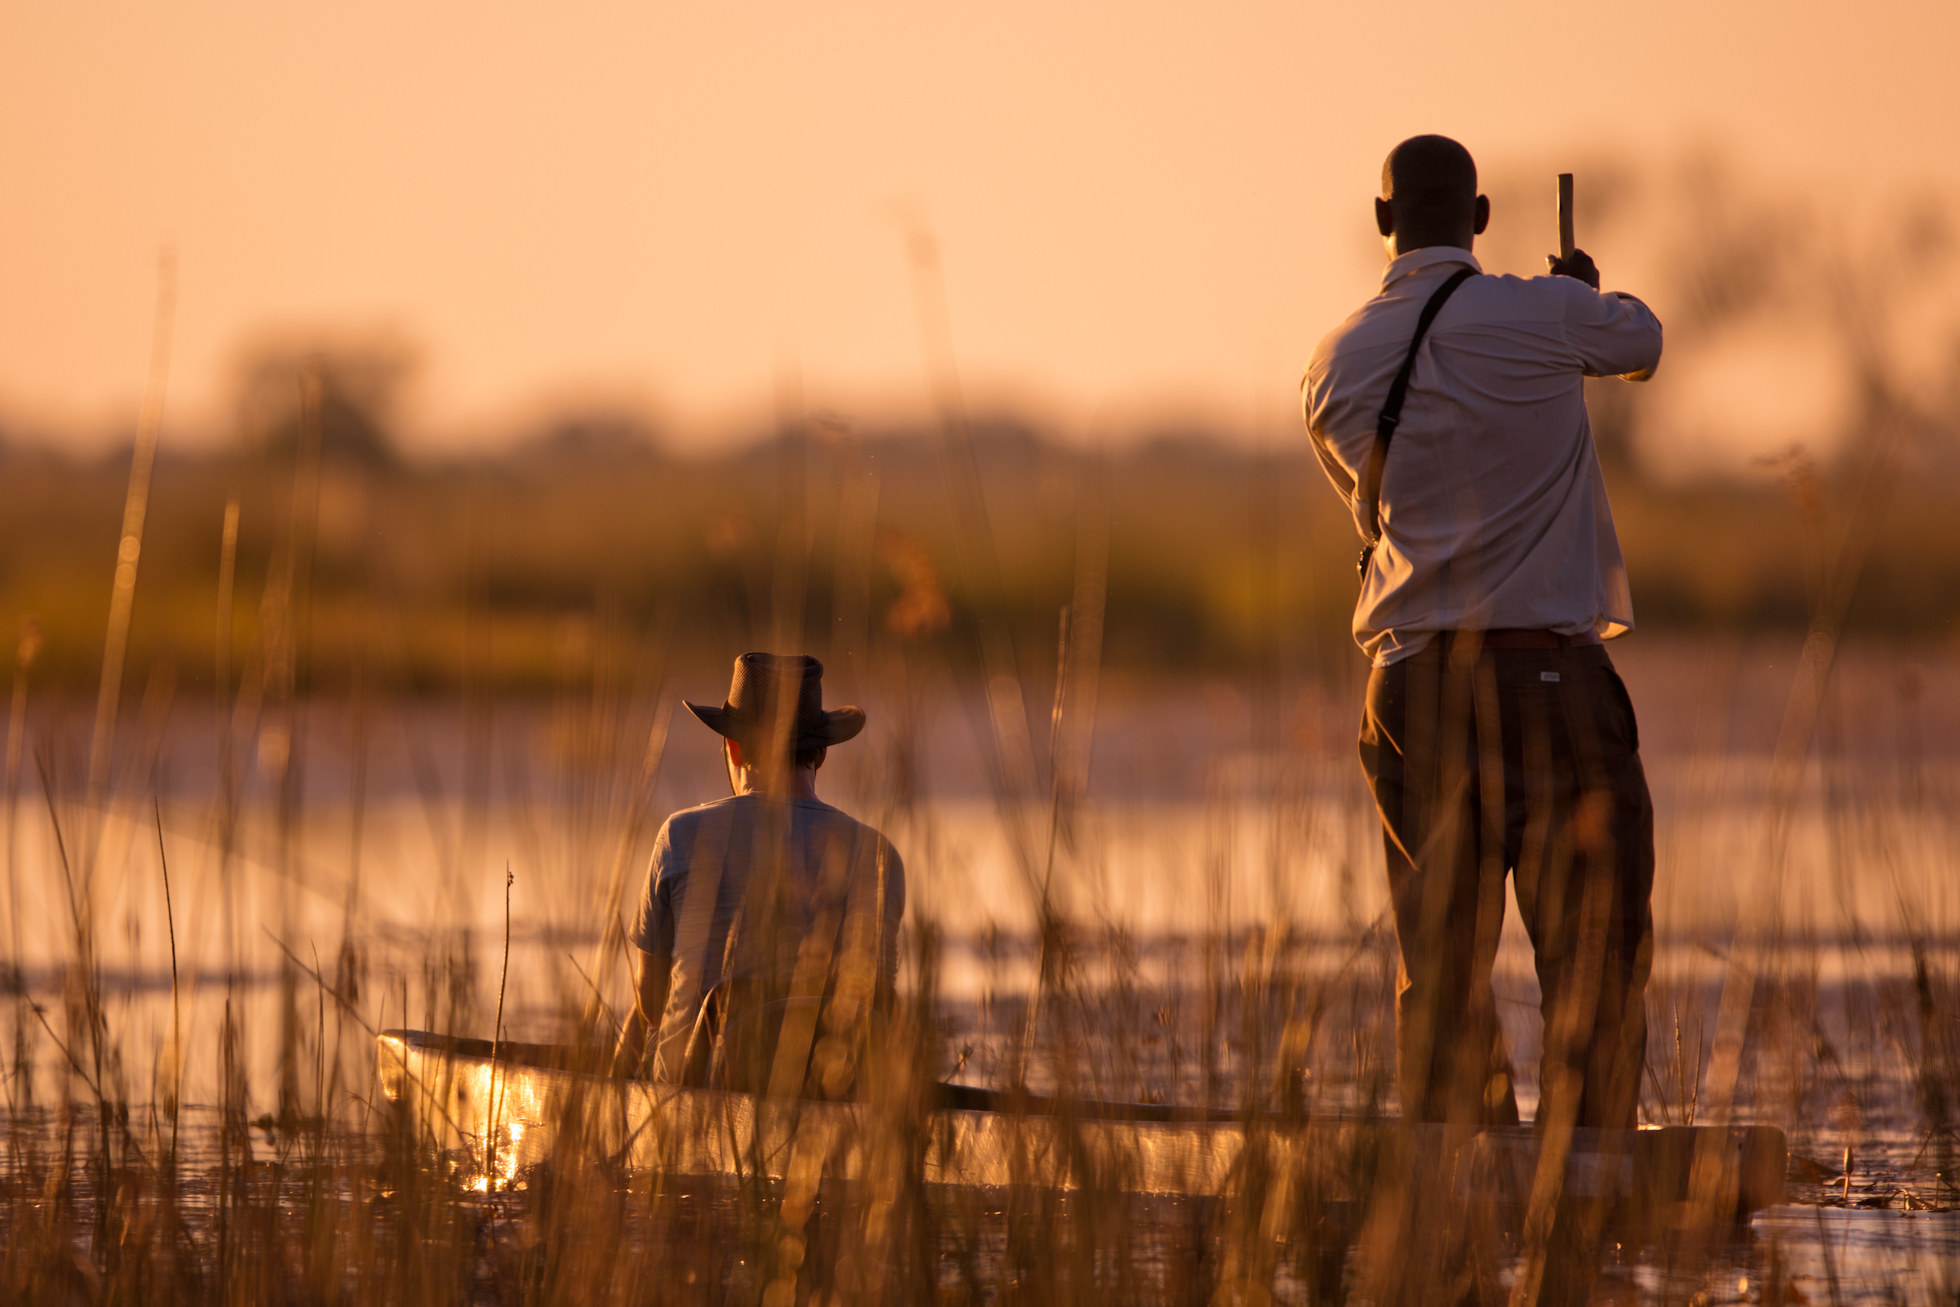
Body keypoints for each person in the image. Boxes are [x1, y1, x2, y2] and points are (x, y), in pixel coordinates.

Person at [1302, 136, 1662, 1139]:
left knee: (1443, 962)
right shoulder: (1545, 312)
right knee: (1592, 952)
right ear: (1482, 215)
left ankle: (1454, 1171)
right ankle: (1584, 1180)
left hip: (1412, 690)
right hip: (1550, 681)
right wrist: (1581, 298)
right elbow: (1640, 341)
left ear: (1382, 224)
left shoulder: (1330, 364)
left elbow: (1370, 515)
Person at [610, 653, 905, 1095]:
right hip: (837, 1089)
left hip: (703, 1088)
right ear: (821, 754)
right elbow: (878, 1006)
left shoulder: (681, 834)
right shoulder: (879, 854)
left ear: (733, 746)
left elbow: (652, 1004)